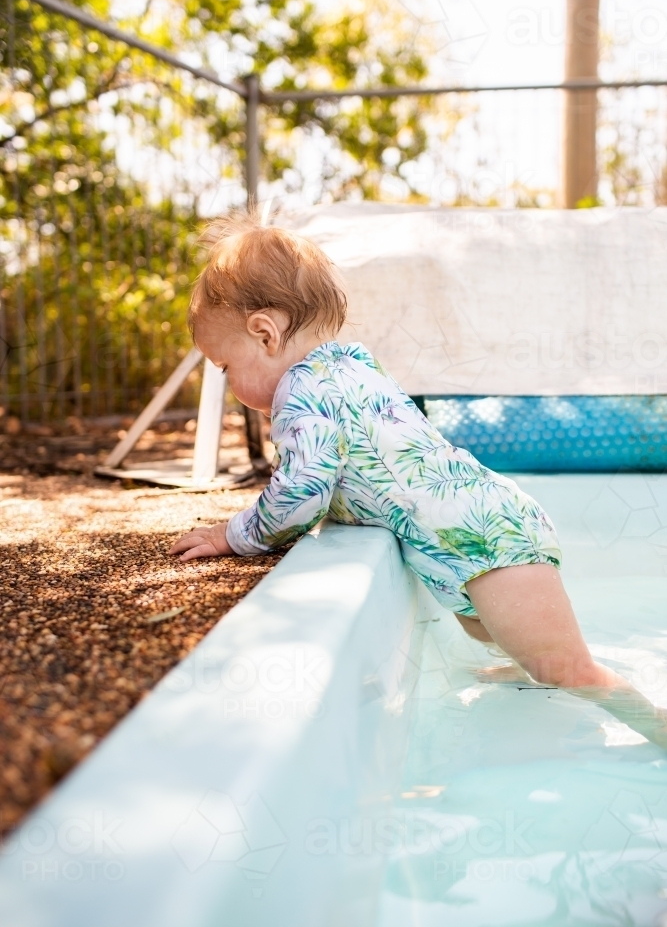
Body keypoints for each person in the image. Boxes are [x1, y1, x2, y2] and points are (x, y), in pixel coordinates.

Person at [170, 210, 667, 747]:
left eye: (224, 367)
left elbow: (302, 491)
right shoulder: (351, 363)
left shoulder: (301, 392)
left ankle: (655, 729)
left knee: (569, 671)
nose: (229, 383)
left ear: (264, 333)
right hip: (482, 535)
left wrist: (232, 534)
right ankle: (529, 666)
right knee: (504, 639)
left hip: (490, 545)